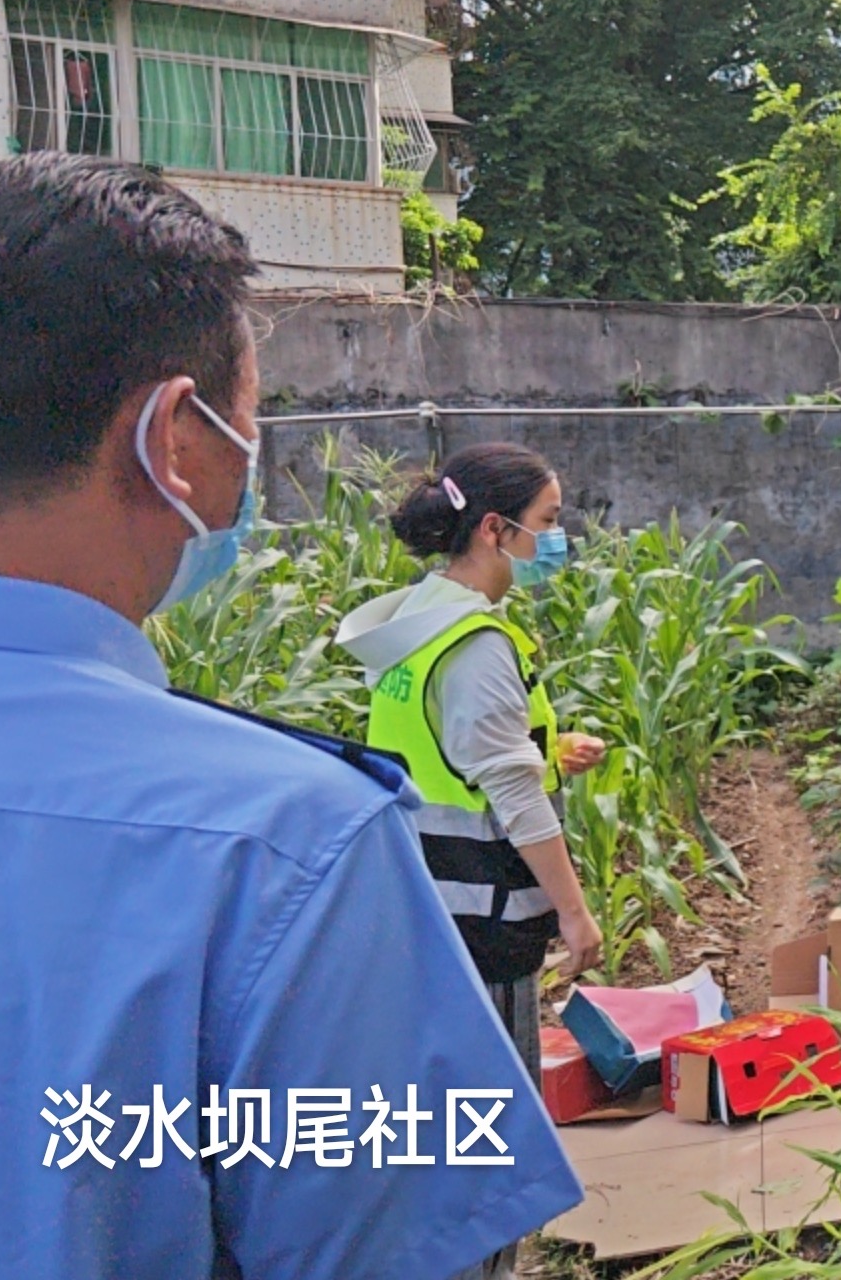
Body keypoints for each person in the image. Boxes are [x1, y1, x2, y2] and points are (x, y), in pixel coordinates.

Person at [0, 156, 582, 1280]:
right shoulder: (286, 843)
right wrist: (578, 909)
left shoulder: (403, 632)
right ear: (173, 439)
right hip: (485, 913)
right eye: (248, 423)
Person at [337, 442, 610, 1277]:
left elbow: (448, 753)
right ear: (495, 529)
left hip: (418, 905)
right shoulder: (478, 642)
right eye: (547, 523)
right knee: (489, 1145)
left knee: (445, 1132)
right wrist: (574, 912)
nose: (555, 540)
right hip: (482, 921)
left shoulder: (419, 622)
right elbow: (513, 798)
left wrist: (546, 750)